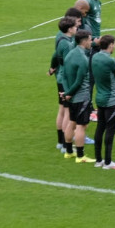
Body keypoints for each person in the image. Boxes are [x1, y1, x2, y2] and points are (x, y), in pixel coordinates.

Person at [91, 34, 115, 169]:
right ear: (110, 45)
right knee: (110, 131)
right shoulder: (110, 60)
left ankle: (98, 160)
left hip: (99, 98)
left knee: (100, 128)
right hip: (111, 100)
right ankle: (108, 162)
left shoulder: (95, 57)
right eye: (114, 44)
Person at [61, 29, 96, 163]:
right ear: (85, 40)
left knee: (72, 122)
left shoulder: (70, 54)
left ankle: (69, 152)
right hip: (81, 96)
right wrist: (69, 93)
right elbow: (80, 80)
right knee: (82, 125)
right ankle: (80, 156)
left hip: (71, 95)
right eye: (90, 39)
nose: (91, 42)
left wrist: (66, 92)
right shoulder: (82, 58)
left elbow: (64, 75)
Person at [49, 14, 79, 154]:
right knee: (67, 111)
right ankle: (67, 145)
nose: (77, 27)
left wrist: (52, 67)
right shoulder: (67, 44)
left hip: (60, 78)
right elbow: (68, 64)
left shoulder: (61, 38)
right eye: (74, 26)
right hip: (65, 80)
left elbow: (55, 55)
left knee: (62, 109)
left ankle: (60, 142)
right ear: (69, 29)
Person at [83, 0, 104, 122]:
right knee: (89, 79)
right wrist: (90, 40)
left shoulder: (97, 1)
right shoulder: (87, 1)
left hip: (96, 43)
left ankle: (89, 106)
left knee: (93, 78)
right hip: (91, 45)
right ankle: (87, 108)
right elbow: (82, 23)